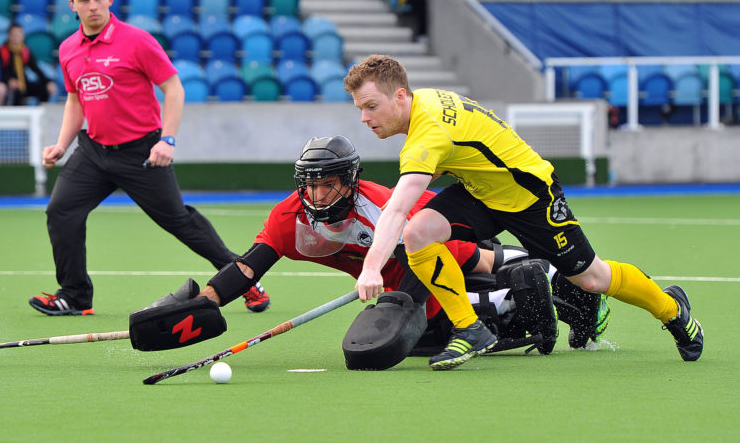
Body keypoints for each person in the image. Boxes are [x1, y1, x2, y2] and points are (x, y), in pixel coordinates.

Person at [343, 54, 703, 369]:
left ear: (401, 95)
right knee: (419, 233)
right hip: (481, 190)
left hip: (529, 196)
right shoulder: (424, 103)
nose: (364, 117)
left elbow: (396, 209)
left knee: (592, 278)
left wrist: (372, 267)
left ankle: (673, 311)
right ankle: (470, 329)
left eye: (371, 106)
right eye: (360, 107)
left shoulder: (427, 134)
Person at [191, 136, 583, 358]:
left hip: (437, 236)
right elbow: (247, 268)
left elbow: (425, 265)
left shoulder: (379, 209)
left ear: (349, 181)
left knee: (474, 263)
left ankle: (536, 284)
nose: (318, 193)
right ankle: (520, 292)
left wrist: (400, 310)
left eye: (327, 183)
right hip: (402, 268)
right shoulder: (287, 220)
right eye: (310, 184)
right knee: (423, 340)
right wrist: (203, 304)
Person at [29, 0, 269, 316]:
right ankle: (75, 295)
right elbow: (75, 100)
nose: (93, 5)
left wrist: (167, 140)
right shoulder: (68, 50)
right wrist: (62, 144)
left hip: (142, 151)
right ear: (72, 5)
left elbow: (174, 89)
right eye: (85, 0)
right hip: (93, 151)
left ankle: (244, 278)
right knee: (61, 211)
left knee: (180, 222)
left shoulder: (137, 40)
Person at [0, 24, 58, 106]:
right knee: (16, 93)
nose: (17, 37)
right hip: (10, 85)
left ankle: (39, 114)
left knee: (44, 89)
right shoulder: (2, 51)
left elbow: (35, 68)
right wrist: (9, 80)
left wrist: (48, 82)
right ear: (9, 36)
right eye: (14, 34)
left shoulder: (24, 50)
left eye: (19, 34)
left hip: (23, 83)